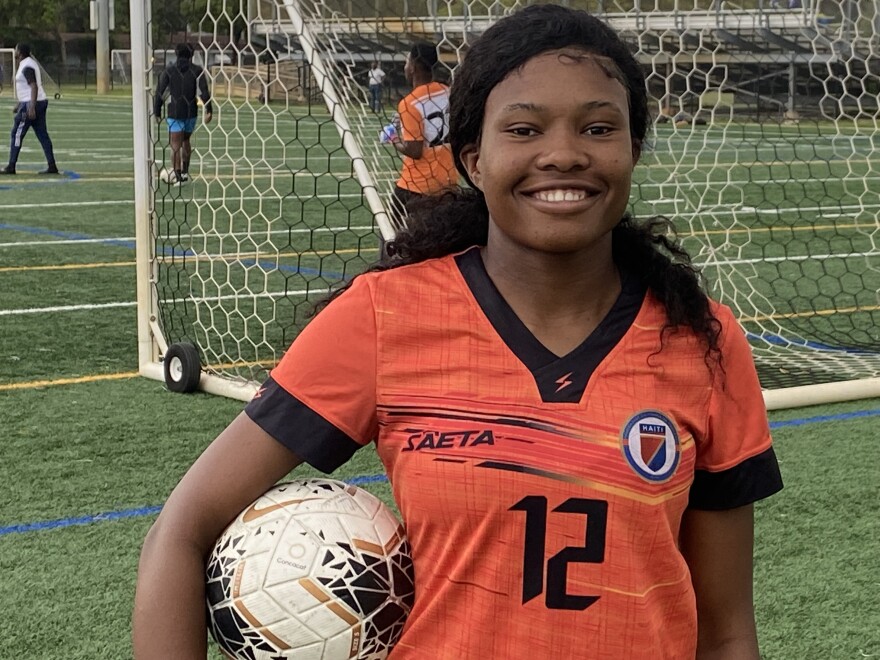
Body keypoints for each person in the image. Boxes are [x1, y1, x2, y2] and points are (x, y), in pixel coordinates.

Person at [133, 5, 783, 658]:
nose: (563, 153)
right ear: (473, 156)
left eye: (598, 127)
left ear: (632, 149)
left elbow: (726, 631)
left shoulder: (703, 341)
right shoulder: (385, 315)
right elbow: (183, 529)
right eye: (525, 129)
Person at [388, 41, 458, 222]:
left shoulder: (409, 103)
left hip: (416, 187)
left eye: (407, 62)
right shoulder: (447, 92)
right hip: (447, 182)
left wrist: (393, 138)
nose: (405, 67)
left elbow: (415, 151)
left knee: (392, 234)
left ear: (413, 67)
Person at [152, 43, 213, 185]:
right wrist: (209, 109)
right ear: (191, 55)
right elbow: (204, 91)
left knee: (175, 145)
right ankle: (185, 172)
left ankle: (177, 175)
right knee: (186, 141)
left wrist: (157, 110)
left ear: (177, 53)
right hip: (191, 111)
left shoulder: (169, 70)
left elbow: (160, 91)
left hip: (175, 111)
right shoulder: (197, 70)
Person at [0, 43, 59, 175]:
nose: (14, 52)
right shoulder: (27, 63)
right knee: (42, 135)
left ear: (20, 52)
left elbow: (33, 86)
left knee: (16, 133)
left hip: (32, 104)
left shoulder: (27, 66)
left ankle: (11, 166)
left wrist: (30, 106)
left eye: (16, 50)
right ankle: (52, 165)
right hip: (35, 102)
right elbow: (27, 88)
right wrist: (19, 104)